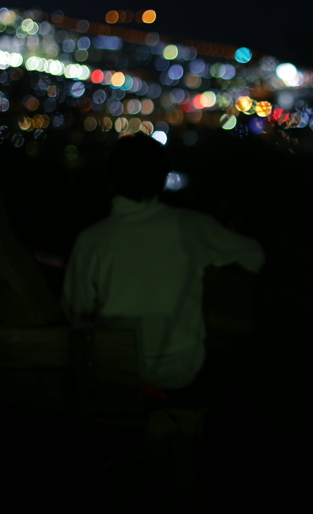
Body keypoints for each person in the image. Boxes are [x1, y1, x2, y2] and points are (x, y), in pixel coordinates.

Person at [61, 132, 265, 396]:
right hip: (181, 371)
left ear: (112, 180)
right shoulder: (192, 227)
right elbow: (253, 256)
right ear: (161, 179)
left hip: (117, 376)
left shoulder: (91, 242)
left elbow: (76, 312)